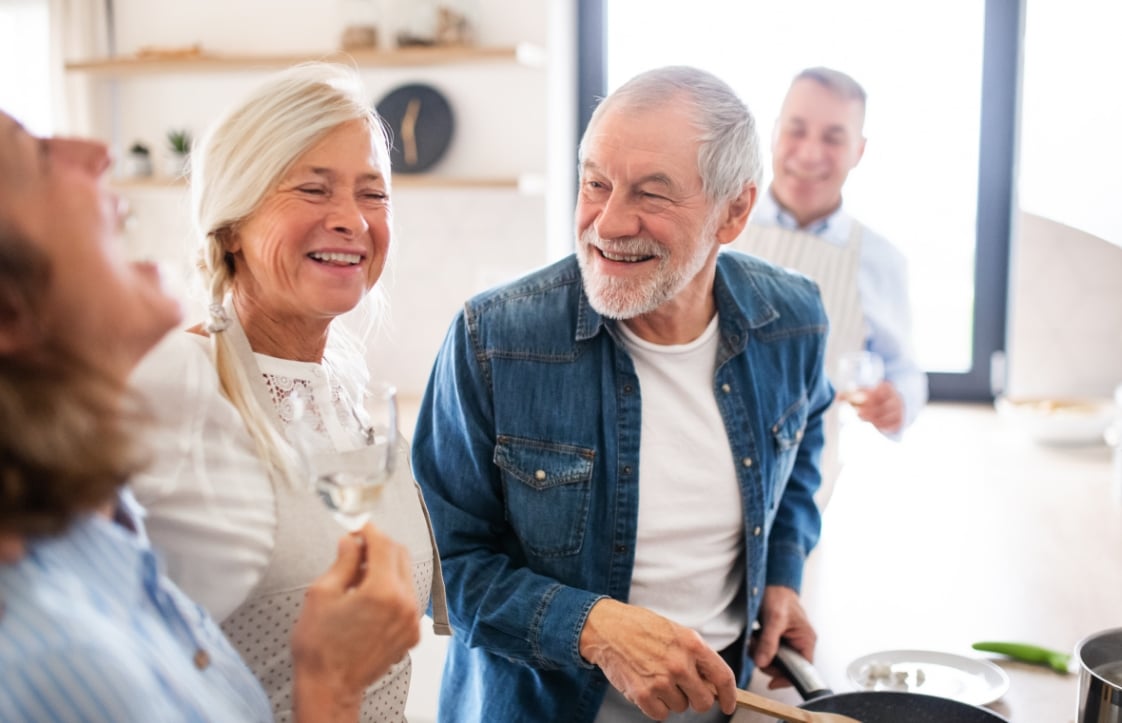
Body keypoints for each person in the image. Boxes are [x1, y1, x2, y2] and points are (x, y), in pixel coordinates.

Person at [412, 66, 833, 723]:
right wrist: (594, 627)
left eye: (651, 194)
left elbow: (800, 450)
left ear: (736, 211)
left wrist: (782, 575)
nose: (607, 223)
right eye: (596, 183)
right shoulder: (494, 338)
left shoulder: (794, 320)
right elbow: (441, 571)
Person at [0, 109, 422, 721]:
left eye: (374, 192)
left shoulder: (99, 548)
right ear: (230, 228)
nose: (97, 150)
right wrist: (329, 686)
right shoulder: (56, 656)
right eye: (34, 156)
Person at [125, 62, 449, 721]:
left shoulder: (349, 392)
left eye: (373, 193)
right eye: (313, 189)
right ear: (232, 223)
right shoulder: (174, 384)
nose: (351, 220)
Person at [732, 66, 927, 439]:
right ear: (774, 133)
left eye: (833, 138)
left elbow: (903, 370)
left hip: (817, 474)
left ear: (859, 151)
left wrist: (897, 400)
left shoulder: (879, 259)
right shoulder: (720, 228)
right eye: (797, 130)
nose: (809, 154)